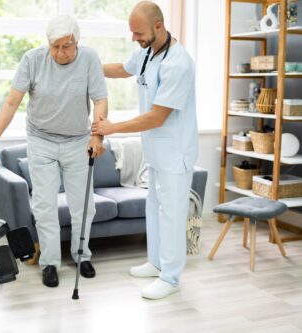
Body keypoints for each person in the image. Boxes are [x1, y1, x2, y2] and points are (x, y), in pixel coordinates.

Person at [0, 14, 108, 288]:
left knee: (83, 206)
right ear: (47, 43)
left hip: (78, 141)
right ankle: (50, 263)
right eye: (55, 46)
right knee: (44, 206)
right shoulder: (32, 59)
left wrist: (97, 136)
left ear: (77, 42)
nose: (60, 53)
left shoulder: (89, 59)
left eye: (67, 46)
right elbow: (11, 102)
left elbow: (100, 99)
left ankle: (81, 255)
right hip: (41, 141)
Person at [91, 1, 198, 300]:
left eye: (138, 33)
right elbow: (120, 70)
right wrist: (86, 65)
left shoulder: (178, 63)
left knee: (172, 214)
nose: (134, 39)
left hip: (175, 152)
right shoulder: (146, 51)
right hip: (155, 150)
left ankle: (171, 276)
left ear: (158, 26)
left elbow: (156, 116)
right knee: (154, 208)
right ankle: (155, 262)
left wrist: (112, 128)